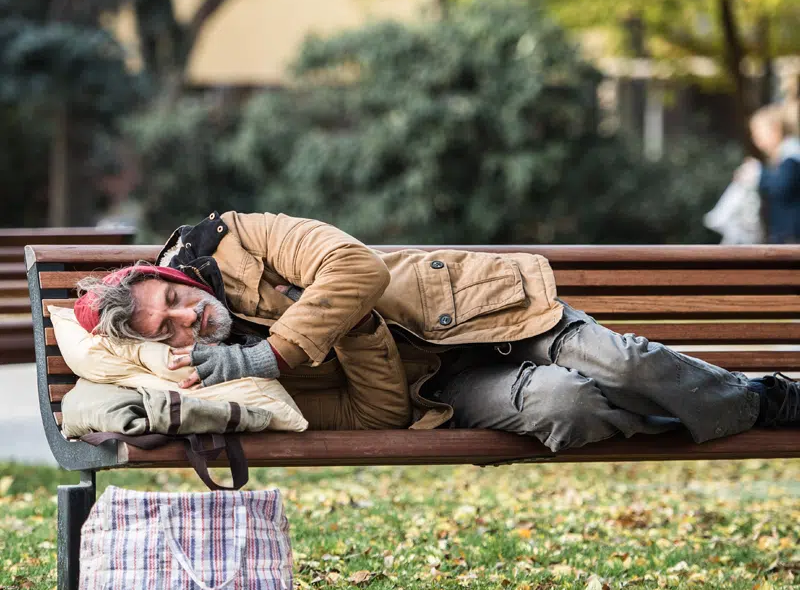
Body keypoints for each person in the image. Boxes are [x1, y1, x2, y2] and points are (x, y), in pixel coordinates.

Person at [75, 210, 800, 452]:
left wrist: (273, 350)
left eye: (170, 298)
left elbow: (352, 264)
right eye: (166, 329)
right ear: (167, 348)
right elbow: (376, 414)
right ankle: (723, 409)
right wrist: (346, 333)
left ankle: (762, 400)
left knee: (626, 365)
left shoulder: (237, 236)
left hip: (485, 312)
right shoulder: (246, 387)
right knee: (566, 408)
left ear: (172, 276)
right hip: (450, 385)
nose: (183, 317)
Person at [750, 102, 800, 244]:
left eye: (758, 132)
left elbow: (782, 187)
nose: (756, 140)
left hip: (793, 237)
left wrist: (758, 174)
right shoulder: (785, 155)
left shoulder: (792, 155)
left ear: (775, 129)